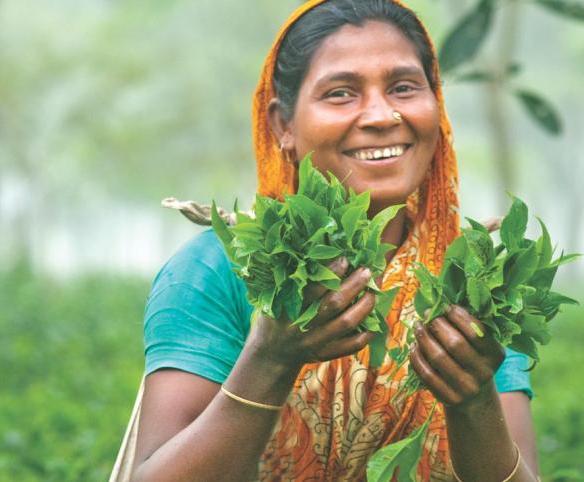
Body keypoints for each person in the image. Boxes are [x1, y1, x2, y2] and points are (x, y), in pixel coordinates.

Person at [122, 1, 540, 481]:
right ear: (283, 125)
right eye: (341, 93)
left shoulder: (474, 280)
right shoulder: (221, 271)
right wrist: (270, 357)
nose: (382, 115)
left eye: (404, 88)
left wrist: (472, 398)